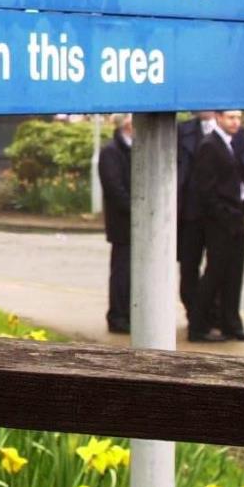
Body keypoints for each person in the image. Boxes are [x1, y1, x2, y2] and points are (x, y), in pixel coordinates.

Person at [187, 109, 244, 343]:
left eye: (238, 118)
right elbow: (205, 189)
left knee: (234, 274)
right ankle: (198, 326)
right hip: (220, 220)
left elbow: (241, 178)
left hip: (237, 215)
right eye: (230, 117)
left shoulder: (234, 143)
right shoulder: (210, 145)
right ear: (218, 118)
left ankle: (232, 324)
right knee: (215, 273)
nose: (236, 122)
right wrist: (224, 213)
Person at [176, 110, 216, 317]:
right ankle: (193, 310)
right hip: (190, 212)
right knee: (189, 264)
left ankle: (213, 311)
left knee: (219, 265)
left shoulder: (230, 129)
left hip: (217, 213)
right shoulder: (182, 131)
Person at [98, 114, 133, 334]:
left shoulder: (135, 149)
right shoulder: (111, 151)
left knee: (133, 273)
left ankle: (130, 313)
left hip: (136, 225)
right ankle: (118, 317)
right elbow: (114, 188)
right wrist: (136, 209)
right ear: (128, 125)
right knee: (122, 272)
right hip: (123, 224)